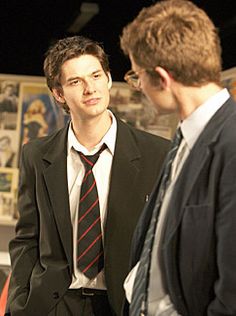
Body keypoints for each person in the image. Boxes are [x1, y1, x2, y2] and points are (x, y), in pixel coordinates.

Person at [5, 36, 169, 316]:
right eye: (75, 81)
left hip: (123, 305)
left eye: (95, 75)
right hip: (54, 304)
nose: (89, 88)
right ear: (59, 94)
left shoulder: (157, 153)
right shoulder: (36, 155)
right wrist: (19, 304)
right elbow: (26, 239)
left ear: (108, 78)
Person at [120, 0, 236, 315]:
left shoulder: (230, 142)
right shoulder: (185, 137)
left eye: (137, 76)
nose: (139, 86)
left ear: (162, 77)